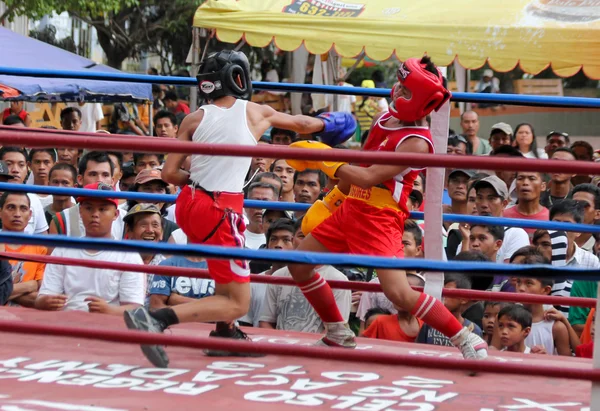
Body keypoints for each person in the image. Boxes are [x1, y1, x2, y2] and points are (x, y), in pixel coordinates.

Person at [124, 49, 356, 367]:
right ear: (239, 77)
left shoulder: (193, 118)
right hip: (220, 210)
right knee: (237, 302)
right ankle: (158, 320)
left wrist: (206, 176)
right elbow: (302, 123)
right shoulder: (252, 112)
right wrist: (333, 123)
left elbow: (168, 174)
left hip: (189, 204)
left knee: (225, 277)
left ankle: (225, 334)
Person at [285, 57, 487, 359]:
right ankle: (338, 332)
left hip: (380, 218)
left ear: (420, 102)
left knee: (399, 293)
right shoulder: (384, 120)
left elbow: (368, 176)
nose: (396, 92)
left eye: (405, 91)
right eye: (400, 85)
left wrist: (325, 158)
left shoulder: (417, 142)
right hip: (351, 207)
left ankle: (463, 338)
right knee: (298, 264)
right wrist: (331, 199)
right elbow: (359, 165)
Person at [36, 182, 145, 313]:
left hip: (109, 328)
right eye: (89, 208)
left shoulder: (129, 256)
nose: (95, 214)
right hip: (65, 324)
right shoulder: (62, 251)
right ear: (80, 212)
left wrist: (108, 310)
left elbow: (135, 308)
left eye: (102, 209)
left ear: (116, 214)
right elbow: (44, 297)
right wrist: (46, 302)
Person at [356, 220, 424, 333]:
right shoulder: (374, 284)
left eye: (405, 244)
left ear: (418, 250)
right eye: (395, 243)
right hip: (378, 347)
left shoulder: (428, 286)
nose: (399, 248)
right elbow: (363, 329)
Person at [49, 151, 124, 238]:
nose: (99, 180)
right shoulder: (62, 220)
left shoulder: (125, 220)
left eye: (105, 175)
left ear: (112, 181)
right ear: (80, 179)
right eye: (93, 174)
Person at [241, 218, 297, 327]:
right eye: (273, 239)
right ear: (267, 246)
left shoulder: (307, 283)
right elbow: (245, 325)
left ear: (296, 244)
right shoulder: (254, 283)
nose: (278, 245)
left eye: (286, 240)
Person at [0, 192, 47, 308]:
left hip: (26, 322)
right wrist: (28, 286)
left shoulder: (39, 249)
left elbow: (41, 299)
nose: (17, 214)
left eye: (23, 209)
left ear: (30, 214)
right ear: (0, 212)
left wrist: (5, 291)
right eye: (11, 207)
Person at [416, 273, 483, 346]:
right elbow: (419, 350)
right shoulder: (429, 324)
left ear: (464, 299)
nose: (443, 296)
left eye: (448, 292)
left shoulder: (474, 329)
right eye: (442, 292)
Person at [362, 273, 425, 342]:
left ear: (421, 295)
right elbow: (362, 348)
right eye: (397, 289)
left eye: (408, 290)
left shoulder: (426, 326)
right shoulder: (380, 323)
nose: (399, 295)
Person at [0, 147, 49, 235]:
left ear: (27, 169)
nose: (15, 170)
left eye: (21, 165)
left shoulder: (33, 200)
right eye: (8, 164)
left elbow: (43, 241)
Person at [503, 171, 549, 238]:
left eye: (532, 178)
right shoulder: (503, 216)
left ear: (543, 186)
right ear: (515, 185)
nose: (525, 183)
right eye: (520, 178)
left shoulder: (549, 218)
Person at [244, 182, 279, 250]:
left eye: (265, 202)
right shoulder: (235, 233)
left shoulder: (282, 238)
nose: (260, 207)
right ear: (245, 206)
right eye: (255, 202)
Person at [570, 183, 600, 251]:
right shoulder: (552, 240)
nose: (577, 209)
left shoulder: (597, 248)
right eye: (573, 204)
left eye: (584, 205)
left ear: (597, 214)